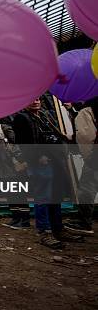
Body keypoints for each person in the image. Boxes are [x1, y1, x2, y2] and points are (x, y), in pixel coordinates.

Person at [13, 98, 83, 248]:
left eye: (38, 98)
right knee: (43, 197)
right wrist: (38, 157)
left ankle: (58, 228)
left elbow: (54, 135)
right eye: (31, 99)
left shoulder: (44, 115)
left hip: (54, 160)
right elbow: (23, 143)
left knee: (55, 196)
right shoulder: (21, 118)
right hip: (40, 163)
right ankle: (44, 232)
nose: (36, 101)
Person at [65, 97, 97, 235]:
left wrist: (89, 158)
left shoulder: (88, 110)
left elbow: (86, 136)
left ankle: (84, 223)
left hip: (95, 157)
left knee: (86, 189)